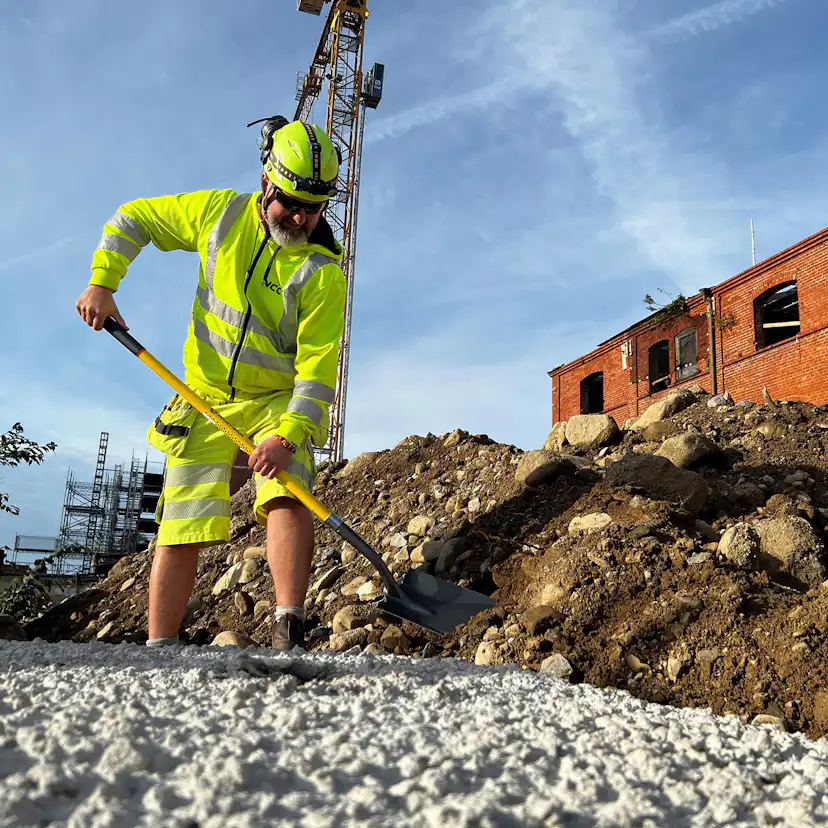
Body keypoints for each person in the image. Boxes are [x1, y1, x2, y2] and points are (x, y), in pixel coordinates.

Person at [75, 118, 346, 651]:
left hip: (274, 403)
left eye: (313, 208)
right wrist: (102, 282)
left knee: (287, 495)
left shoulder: (322, 271)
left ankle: (289, 630)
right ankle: (161, 648)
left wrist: (288, 434)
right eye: (291, 202)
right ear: (267, 181)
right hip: (204, 398)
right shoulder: (219, 214)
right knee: (181, 521)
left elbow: (317, 368)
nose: (301, 217)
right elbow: (133, 219)